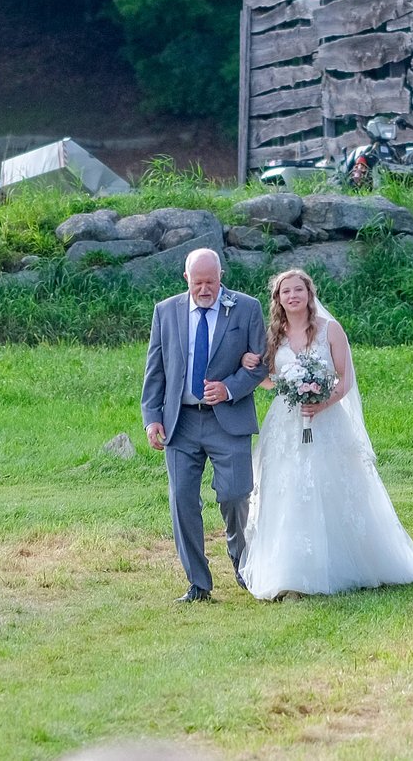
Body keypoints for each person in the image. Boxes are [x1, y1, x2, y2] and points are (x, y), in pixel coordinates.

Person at [235, 267, 413, 600]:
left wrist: (321, 402)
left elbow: (345, 380)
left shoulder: (330, 330)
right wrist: (271, 378)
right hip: (286, 424)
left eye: (298, 290)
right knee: (289, 490)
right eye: (285, 292)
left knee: (332, 487)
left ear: (309, 293)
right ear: (278, 299)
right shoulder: (274, 335)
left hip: (327, 421)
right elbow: (266, 378)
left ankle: (353, 565)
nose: (292, 296)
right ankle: (291, 577)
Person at [140, 247, 269, 601]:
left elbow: (260, 364)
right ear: (187, 279)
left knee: (234, 494)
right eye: (198, 282)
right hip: (180, 422)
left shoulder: (246, 308)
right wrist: (152, 418)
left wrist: (229, 388)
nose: (205, 289)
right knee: (182, 500)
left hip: (228, 420)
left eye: (211, 281)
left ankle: (244, 564)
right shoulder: (166, 311)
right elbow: (156, 370)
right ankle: (198, 584)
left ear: (221, 277)